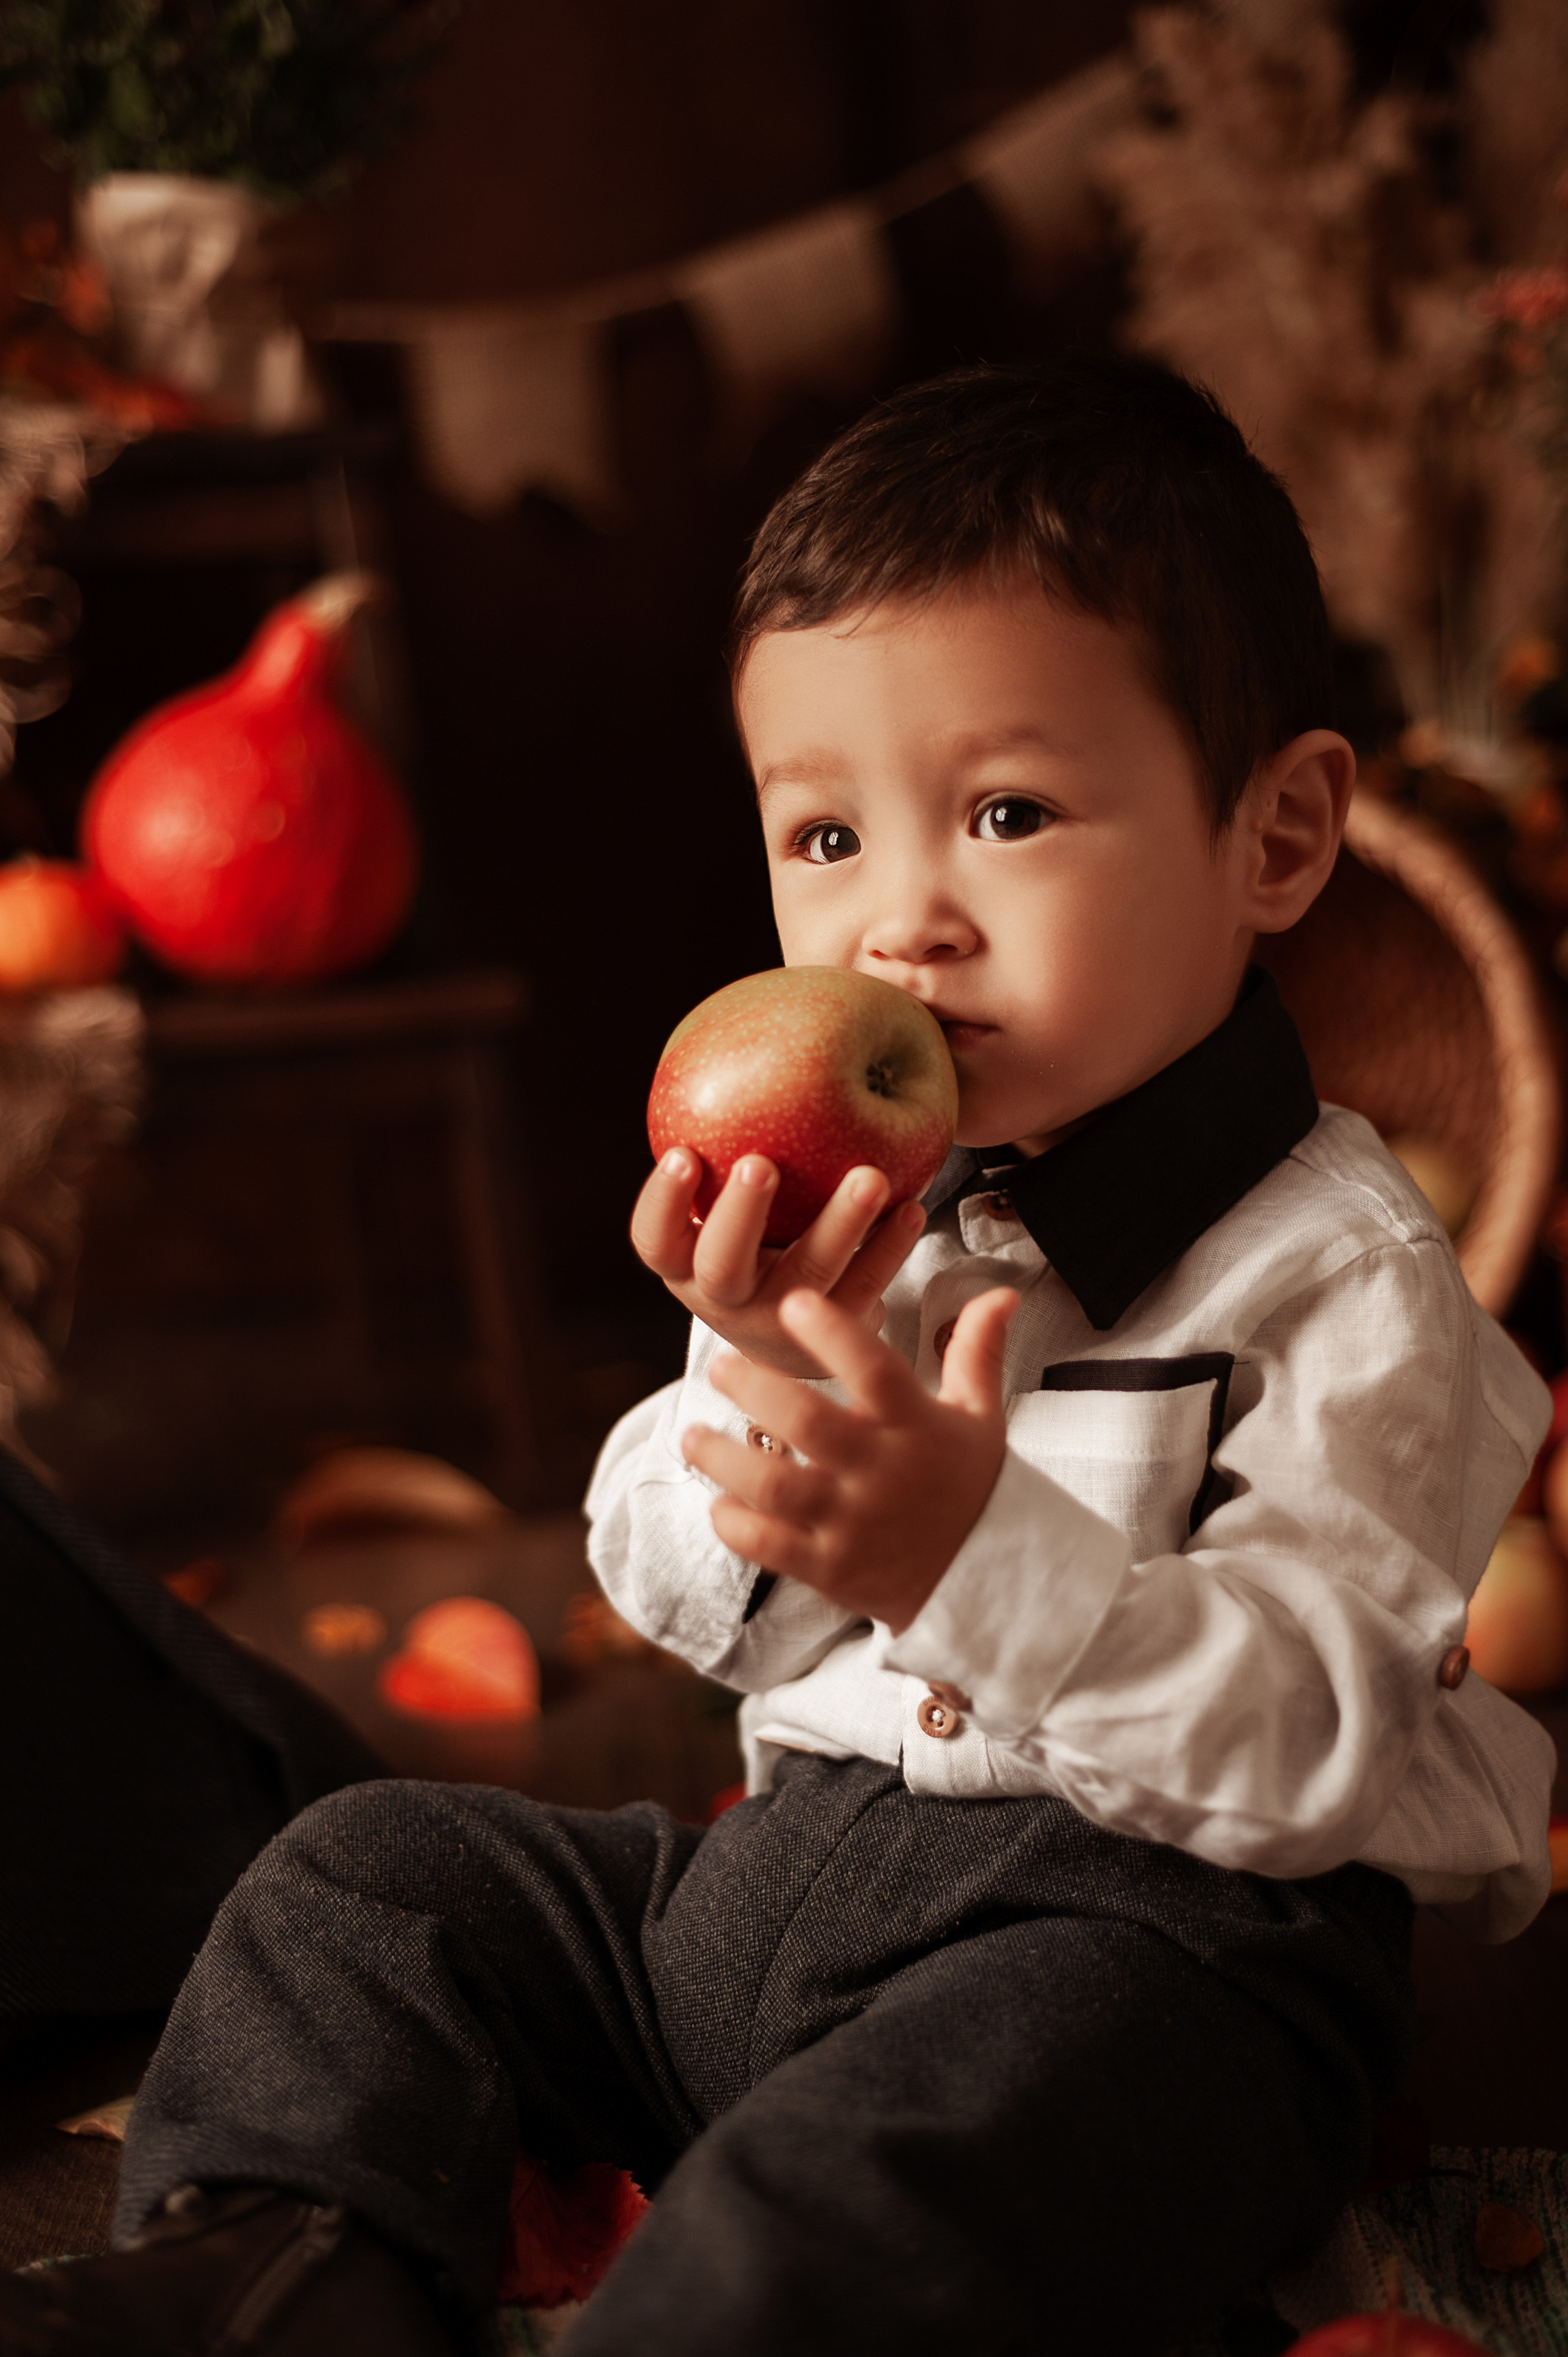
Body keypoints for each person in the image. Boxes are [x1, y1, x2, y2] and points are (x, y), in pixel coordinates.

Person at [1, 357, 1552, 2357]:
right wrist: (750, 1367)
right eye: (823, 838)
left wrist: (969, 1557)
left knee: (881, 2170)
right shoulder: (861, 1210)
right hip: (779, 1910)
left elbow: (1320, 1739)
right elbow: (679, 1604)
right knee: (371, 1872)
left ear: (1277, 836)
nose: (901, 923)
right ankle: (285, 2275)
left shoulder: (1349, 1282)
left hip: (1144, 1962)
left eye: (1007, 813)